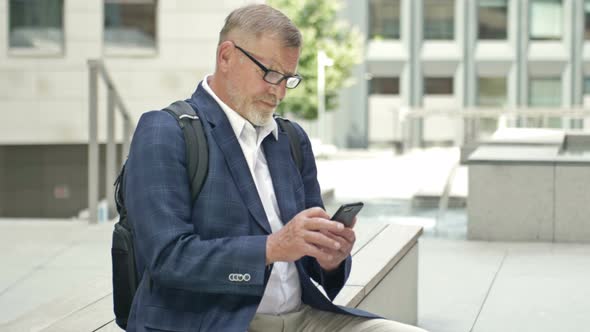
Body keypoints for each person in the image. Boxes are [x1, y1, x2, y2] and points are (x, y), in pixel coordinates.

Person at [124, 4, 427, 332]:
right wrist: (272, 247)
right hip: (213, 323)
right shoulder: (166, 131)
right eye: (269, 73)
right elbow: (167, 258)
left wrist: (330, 257)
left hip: (306, 317)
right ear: (226, 56)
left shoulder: (291, 139)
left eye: (288, 78)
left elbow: (308, 253)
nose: (279, 91)